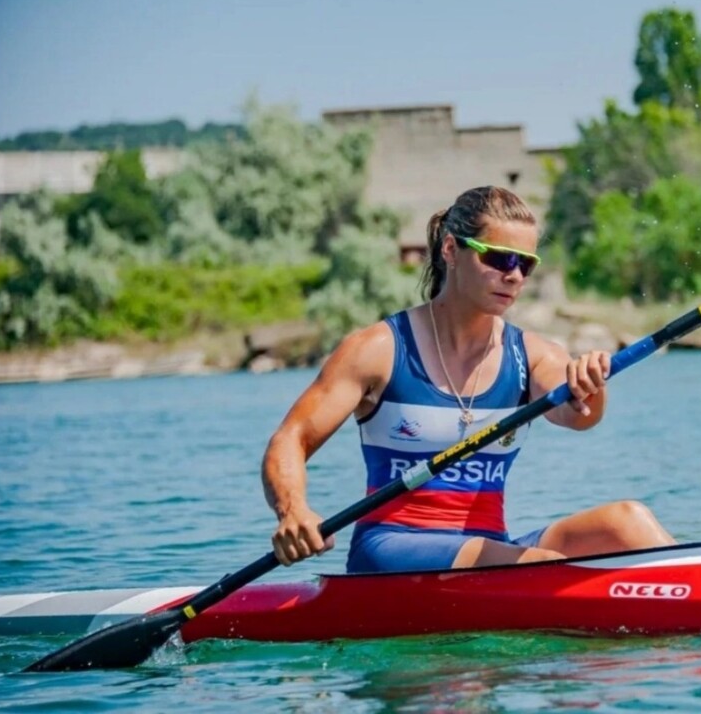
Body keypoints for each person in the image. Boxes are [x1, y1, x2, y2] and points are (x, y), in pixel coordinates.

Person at [262, 185, 676, 572]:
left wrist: (589, 386)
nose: (514, 276)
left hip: (490, 549)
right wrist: (293, 511)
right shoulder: (378, 350)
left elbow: (577, 415)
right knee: (541, 564)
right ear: (450, 250)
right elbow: (291, 439)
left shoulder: (533, 355)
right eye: (499, 259)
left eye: (526, 264)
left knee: (629, 521)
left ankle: (699, 598)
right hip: (391, 549)